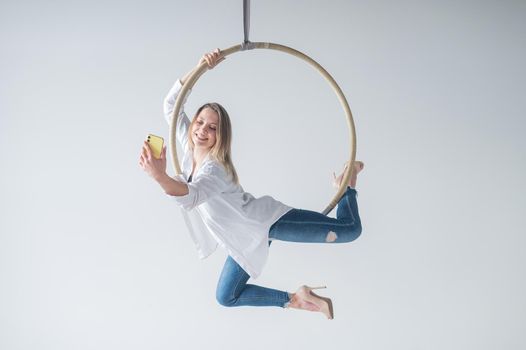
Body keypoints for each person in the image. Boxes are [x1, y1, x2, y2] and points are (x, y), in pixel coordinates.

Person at [139, 49, 364, 319]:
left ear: (220, 136)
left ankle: (347, 183)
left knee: (350, 230)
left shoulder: (215, 168)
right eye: (199, 122)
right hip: (242, 239)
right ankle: (297, 299)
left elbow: (193, 194)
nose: (202, 130)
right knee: (226, 296)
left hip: (265, 222)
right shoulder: (189, 149)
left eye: (212, 128)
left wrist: (159, 176)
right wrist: (200, 67)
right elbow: (171, 105)